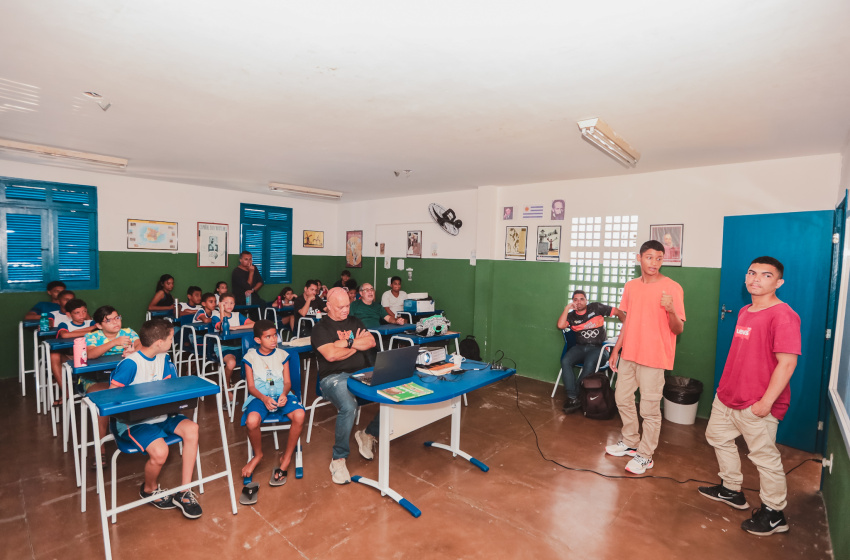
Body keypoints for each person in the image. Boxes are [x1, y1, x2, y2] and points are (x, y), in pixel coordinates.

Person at [699, 256, 800, 536]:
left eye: (766, 275)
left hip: (759, 403)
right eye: (752, 273)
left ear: (779, 282)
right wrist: (724, 390)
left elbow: (788, 363)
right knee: (717, 437)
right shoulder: (745, 311)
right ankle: (732, 490)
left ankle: (774, 513)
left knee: (764, 458)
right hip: (729, 396)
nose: (755, 279)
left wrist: (766, 402)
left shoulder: (783, 315)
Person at [605, 240, 685, 474]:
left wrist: (670, 309)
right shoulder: (631, 286)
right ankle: (630, 441)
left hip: (654, 357)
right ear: (639, 258)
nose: (654, 262)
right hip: (630, 354)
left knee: (649, 409)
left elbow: (678, 329)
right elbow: (628, 321)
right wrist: (617, 349)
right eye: (649, 257)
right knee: (622, 398)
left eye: (659, 258)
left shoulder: (672, 287)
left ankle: (645, 455)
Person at [110, 318, 203, 519]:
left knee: (192, 428)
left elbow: (170, 389)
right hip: (134, 422)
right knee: (161, 452)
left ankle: (184, 491)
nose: (173, 342)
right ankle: (149, 490)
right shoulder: (130, 365)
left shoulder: (164, 358)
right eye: (171, 338)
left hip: (161, 415)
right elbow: (112, 399)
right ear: (159, 342)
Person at [311, 288, 379, 484]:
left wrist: (344, 344)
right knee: (349, 406)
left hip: (362, 373)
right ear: (328, 306)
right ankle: (338, 458)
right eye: (340, 307)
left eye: (348, 306)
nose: (345, 310)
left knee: (393, 392)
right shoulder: (320, 329)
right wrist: (356, 343)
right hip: (333, 378)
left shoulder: (355, 321)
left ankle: (368, 434)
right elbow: (331, 356)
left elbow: (371, 341)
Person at [240, 320, 306, 488]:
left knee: (300, 414)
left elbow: (288, 382)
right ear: (257, 340)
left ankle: (287, 457)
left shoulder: (282, 355)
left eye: (275, 335)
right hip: (260, 397)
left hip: (281, 394)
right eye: (268, 337)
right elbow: (251, 387)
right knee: (252, 421)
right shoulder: (250, 357)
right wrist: (264, 399)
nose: (273, 339)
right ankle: (258, 455)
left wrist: (284, 394)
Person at [556, 290, 625, 413]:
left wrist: (627, 325)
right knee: (565, 361)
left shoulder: (596, 308)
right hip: (580, 347)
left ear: (586, 300)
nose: (579, 302)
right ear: (573, 302)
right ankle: (573, 397)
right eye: (575, 299)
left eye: (582, 299)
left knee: (589, 363)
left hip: (599, 348)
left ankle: (575, 396)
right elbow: (561, 325)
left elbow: (618, 312)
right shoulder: (571, 316)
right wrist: (567, 308)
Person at [49, 299, 97, 391]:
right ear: (69, 315)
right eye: (77, 313)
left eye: (84, 312)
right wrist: (90, 330)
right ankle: (65, 390)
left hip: (89, 355)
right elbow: (65, 335)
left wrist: (91, 328)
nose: (82, 315)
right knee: (54, 356)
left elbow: (98, 330)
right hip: (70, 357)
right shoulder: (64, 324)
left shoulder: (90, 322)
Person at [211, 293, 255, 386]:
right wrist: (221, 311)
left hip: (239, 347)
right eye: (226, 303)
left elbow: (254, 324)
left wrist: (236, 328)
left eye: (232, 303)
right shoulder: (215, 316)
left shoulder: (237, 315)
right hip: (223, 347)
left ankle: (254, 386)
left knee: (256, 359)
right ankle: (226, 385)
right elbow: (223, 328)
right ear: (220, 304)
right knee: (231, 363)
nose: (229, 305)